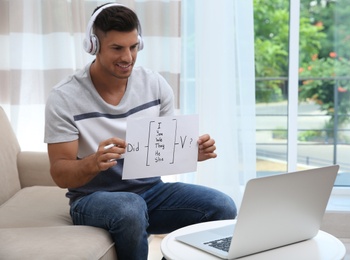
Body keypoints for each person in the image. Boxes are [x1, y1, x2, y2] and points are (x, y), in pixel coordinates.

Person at [44, 3, 237, 260]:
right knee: (130, 206)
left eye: (134, 47)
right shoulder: (65, 97)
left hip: (151, 192)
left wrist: (192, 153)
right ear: (94, 45)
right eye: (117, 48)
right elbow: (59, 174)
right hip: (92, 199)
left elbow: (164, 149)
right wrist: (93, 163)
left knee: (222, 206)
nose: (128, 57)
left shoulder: (154, 84)